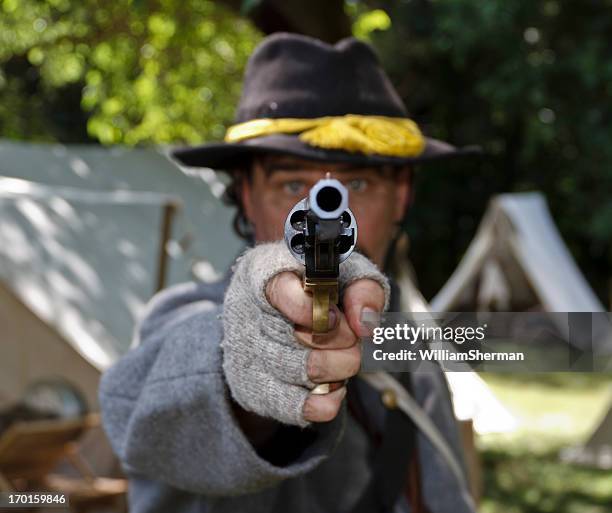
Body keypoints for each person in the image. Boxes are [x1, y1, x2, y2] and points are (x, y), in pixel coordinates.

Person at [99, 33, 477, 513]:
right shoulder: (187, 315)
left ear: (401, 195)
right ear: (247, 196)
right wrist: (248, 356)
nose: (335, 212)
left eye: (358, 182)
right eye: (293, 182)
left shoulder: (405, 333)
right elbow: (167, 387)